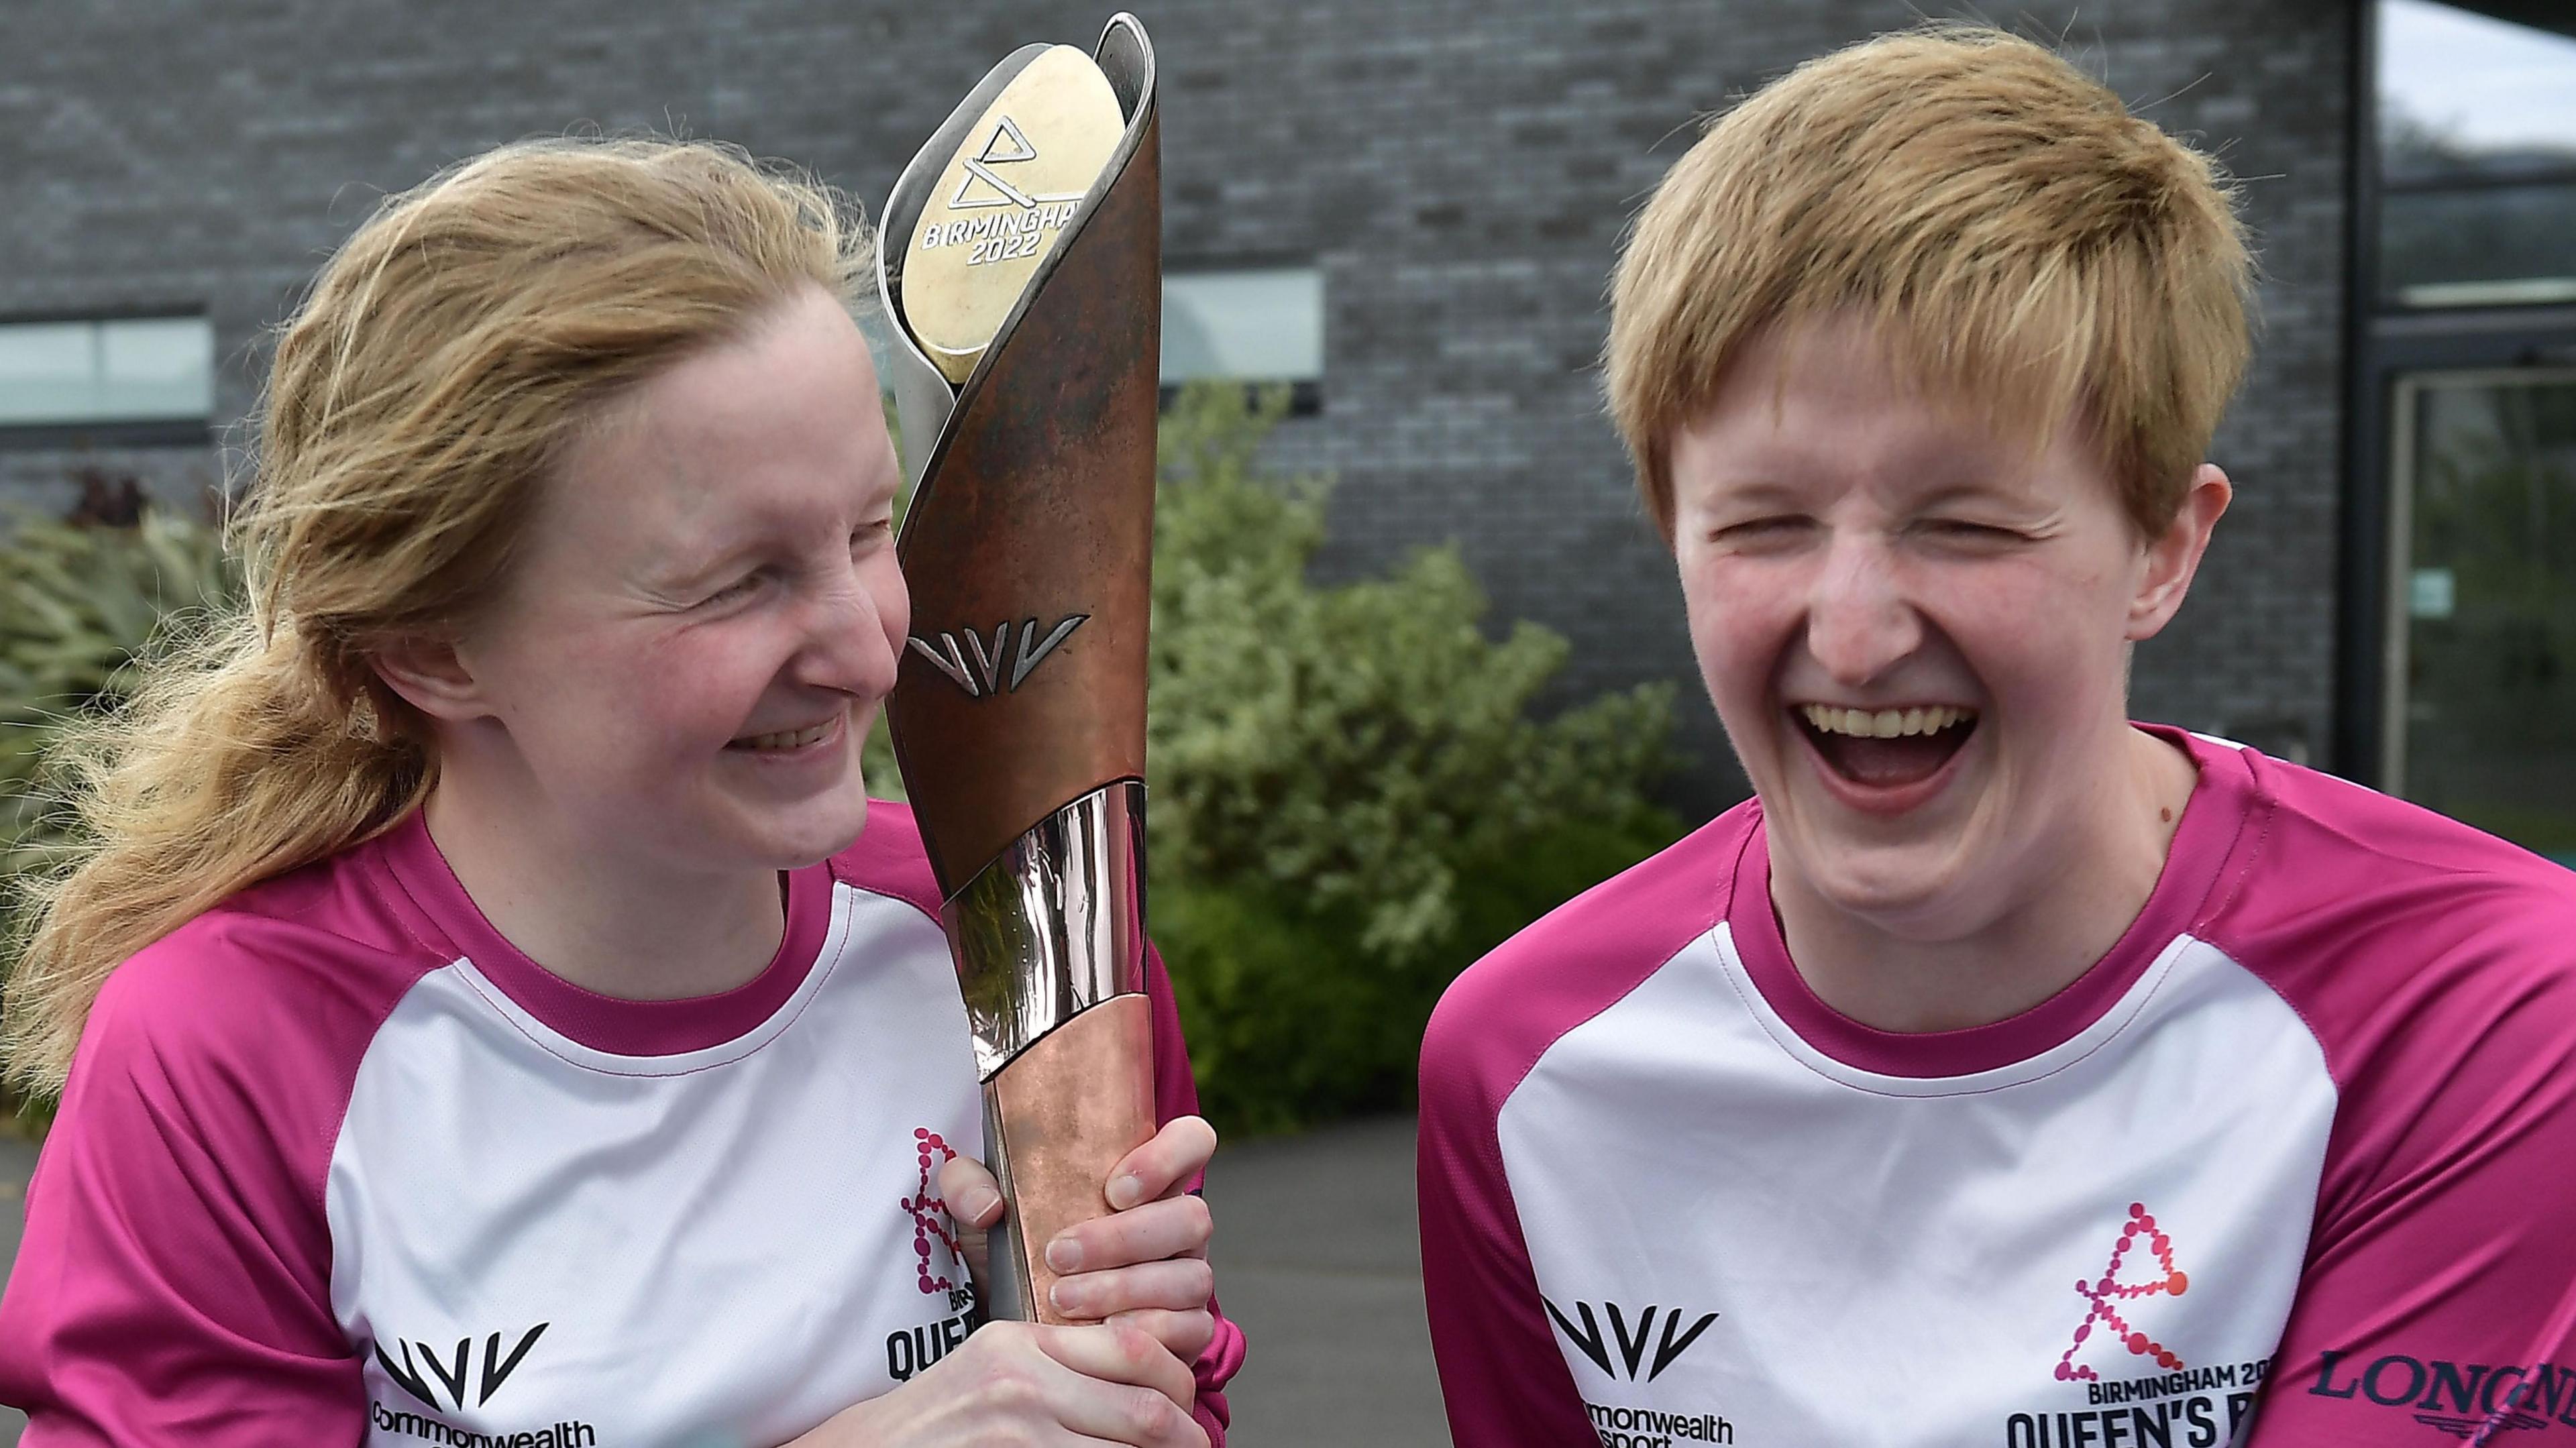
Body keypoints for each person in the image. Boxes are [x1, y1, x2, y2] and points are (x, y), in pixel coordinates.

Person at [1417, 24, 2576, 1447]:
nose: (1850, 632)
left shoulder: (2490, 1012)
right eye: (1764, 525)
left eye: (1962, 525)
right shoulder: (1528, 1066)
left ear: (2161, 549)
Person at [0, 136, 1239, 1447]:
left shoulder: (1016, 937)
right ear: (435, 649)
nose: (869, 644)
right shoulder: (228, 1049)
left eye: (870, 533)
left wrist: (1128, 1374)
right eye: (740, 579)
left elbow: (1174, 1415)